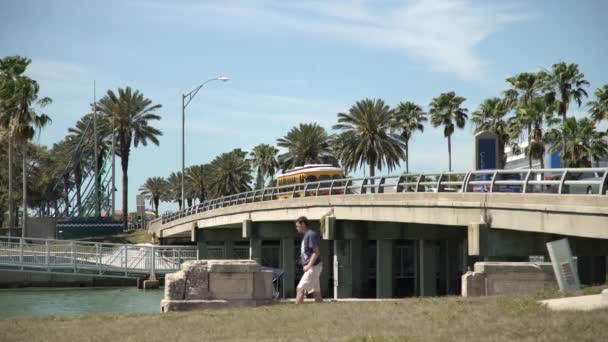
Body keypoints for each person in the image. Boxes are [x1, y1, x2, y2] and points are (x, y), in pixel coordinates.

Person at [295, 216, 323, 304]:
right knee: (316, 292)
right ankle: (321, 311)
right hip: (313, 267)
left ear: (303, 224)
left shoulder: (310, 235)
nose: (297, 228)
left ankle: (296, 312)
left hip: (313, 267)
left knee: (300, 289)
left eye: (297, 226)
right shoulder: (306, 236)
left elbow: (316, 252)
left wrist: (308, 265)